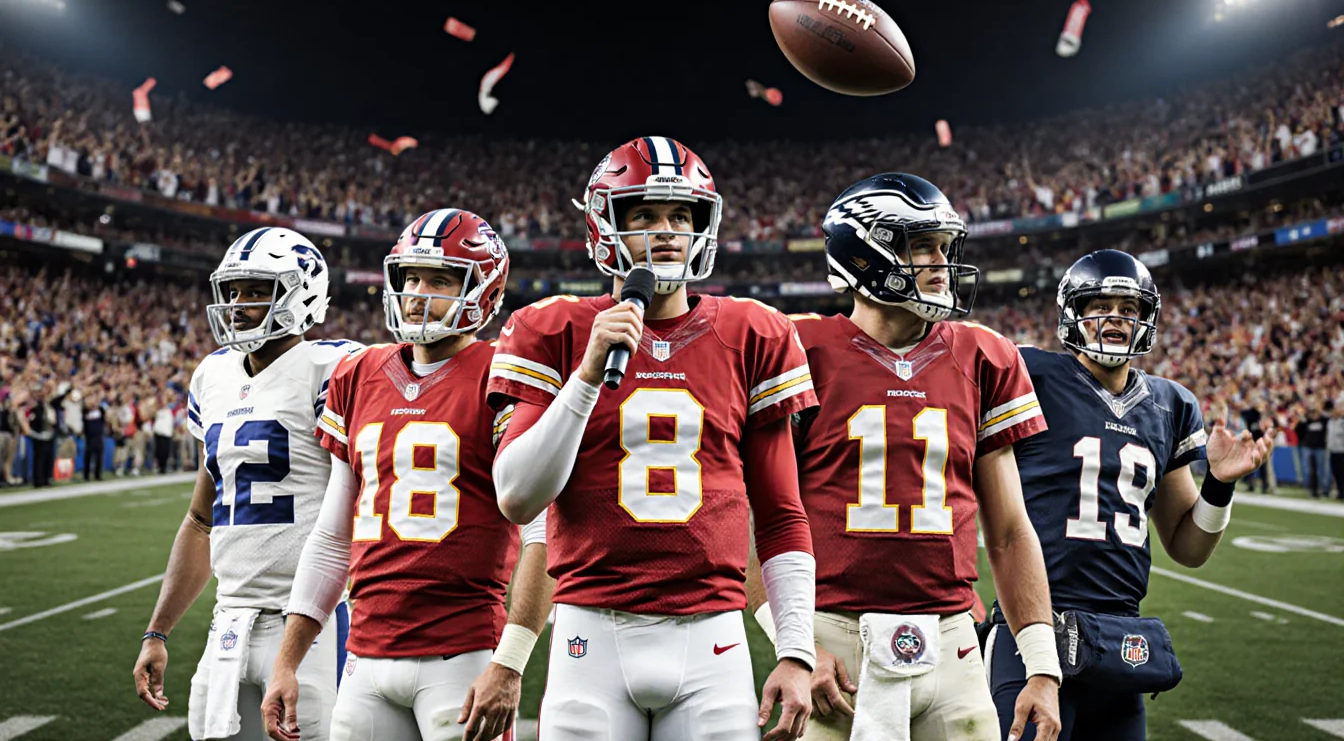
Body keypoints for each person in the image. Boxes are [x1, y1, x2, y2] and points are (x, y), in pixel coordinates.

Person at [488, 136, 817, 741]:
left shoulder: (755, 332)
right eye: (643, 215)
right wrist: (586, 376)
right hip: (590, 631)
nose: (666, 231)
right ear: (604, 226)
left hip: (712, 635)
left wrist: (796, 650)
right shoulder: (551, 328)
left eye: (680, 216)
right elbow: (517, 496)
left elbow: (781, 513)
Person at [752, 173, 1061, 741]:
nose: (941, 263)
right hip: (834, 649)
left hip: (953, 644)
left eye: (945, 247)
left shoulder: (985, 356)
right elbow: (755, 522)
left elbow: (1011, 530)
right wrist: (796, 645)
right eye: (921, 246)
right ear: (863, 252)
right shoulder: (800, 348)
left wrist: (1041, 665)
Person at [261, 209, 552, 741]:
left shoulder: (504, 374)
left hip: (461, 654)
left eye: (441, 279)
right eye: (411, 277)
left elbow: (544, 537)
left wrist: (510, 662)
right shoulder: (359, 372)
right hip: (365, 656)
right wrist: (288, 660)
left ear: (483, 288)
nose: (419, 293)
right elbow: (331, 537)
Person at [985, 250, 1272, 741]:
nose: (1116, 317)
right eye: (1100, 304)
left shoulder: (1169, 403)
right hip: (1033, 625)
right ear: (1072, 312)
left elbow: (1187, 547)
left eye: (1129, 308)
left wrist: (1219, 484)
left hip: (1120, 637)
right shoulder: (1030, 374)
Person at [131, 227, 361, 741]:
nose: (238, 305)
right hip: (228, 624)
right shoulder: (213, 375)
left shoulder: (334, 369)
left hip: (312, 626)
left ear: (302, 295)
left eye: (257, 290)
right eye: (233, 291)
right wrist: (157, 631)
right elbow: (199, 519)